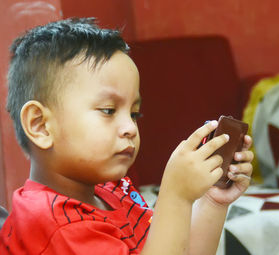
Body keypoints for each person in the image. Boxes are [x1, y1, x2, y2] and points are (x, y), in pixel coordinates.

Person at [0, 18, 254, 254]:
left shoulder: (112, 190)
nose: (130, 128)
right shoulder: (55, 223)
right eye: (108, 111)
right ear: (40, 125)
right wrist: (175, 196)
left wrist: (213, 201)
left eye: (134, 114)